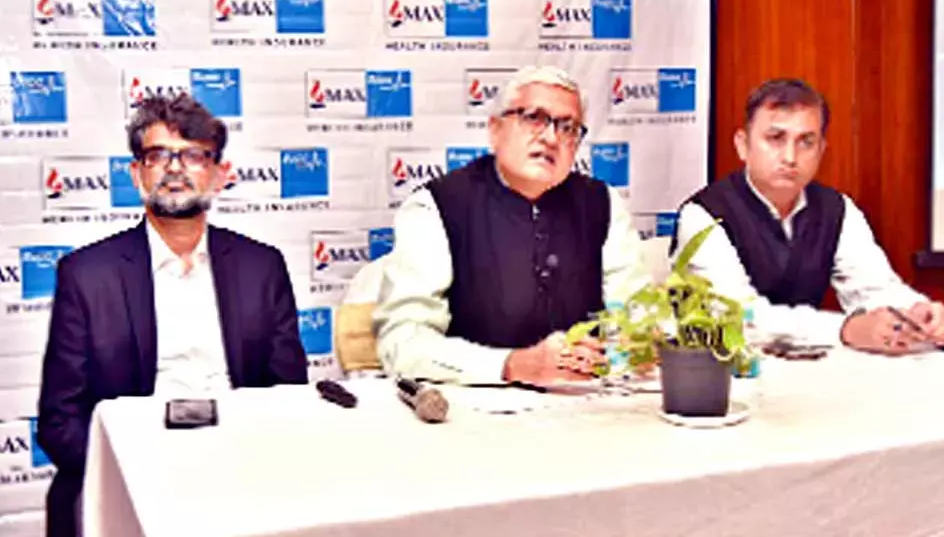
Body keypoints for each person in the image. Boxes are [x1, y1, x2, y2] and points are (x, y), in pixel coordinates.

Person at [37, 94, 308, 537]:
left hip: (240, 472)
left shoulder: (262, 266)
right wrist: (138, 475)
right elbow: (59, 421)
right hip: (132, 476)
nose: (175, 167)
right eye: (158, 155)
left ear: (219, 175)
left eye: (194, 155)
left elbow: (286, 395)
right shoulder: (87, 275)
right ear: (136, 173)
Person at [373, 66, 650, 385]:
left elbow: (638, 324)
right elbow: (403, 343)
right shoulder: (436, 206)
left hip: (584, 404)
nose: (550, 138)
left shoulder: (603, 204)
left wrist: (614, 356)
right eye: (534, 118)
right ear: (495, 129)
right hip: (469, 413)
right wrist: (511, 365)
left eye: (568, 127)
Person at [670, 78, 944, 354]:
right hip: (723, 379)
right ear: (743, 145)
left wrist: (917, 313)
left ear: (821, 150)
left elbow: (874, 287)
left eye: (806, 142)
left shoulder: (836, 209)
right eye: (775, 139)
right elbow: (740, 317)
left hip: (810, 373)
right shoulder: (703, 215)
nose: (790, 157)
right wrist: (844, 329)